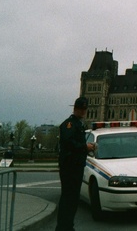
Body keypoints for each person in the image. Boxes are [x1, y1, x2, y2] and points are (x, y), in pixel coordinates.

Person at [55, 97, 96, 231]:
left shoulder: (78, 124)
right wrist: (85, 147)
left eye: (84, 109)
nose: (83, 112)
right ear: (75, 109)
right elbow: (68, 142)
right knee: (68, 198)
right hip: (69, 166)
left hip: (76, 166)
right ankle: (63, 227)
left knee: (72, 199)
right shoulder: (69, 124)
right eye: (81, 109)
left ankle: (67, 226)